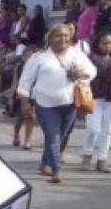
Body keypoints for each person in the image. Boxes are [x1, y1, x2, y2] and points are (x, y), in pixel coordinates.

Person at [17, 23, 96, 183]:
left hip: (70, 103)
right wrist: (25, 102)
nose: (63, 39)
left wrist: (82, 73)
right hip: (45, 104)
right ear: (50, 38)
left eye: (66, 35)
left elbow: (92, 71)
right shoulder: (39, 57)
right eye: (58, 35)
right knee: (52, 136)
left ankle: (45, 163)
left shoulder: (76, 54)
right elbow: (25, 81)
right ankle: (57, 169)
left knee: (60, 136)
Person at [81, 32, 111, 172]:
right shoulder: (92, 57)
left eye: (110, 43)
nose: (107, 46)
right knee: (93, 129)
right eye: (104, 43)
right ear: (98, 44)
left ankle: (102, 159)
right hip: (95, 97)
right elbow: (102, 71)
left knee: (107, 130)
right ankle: (87, 155)